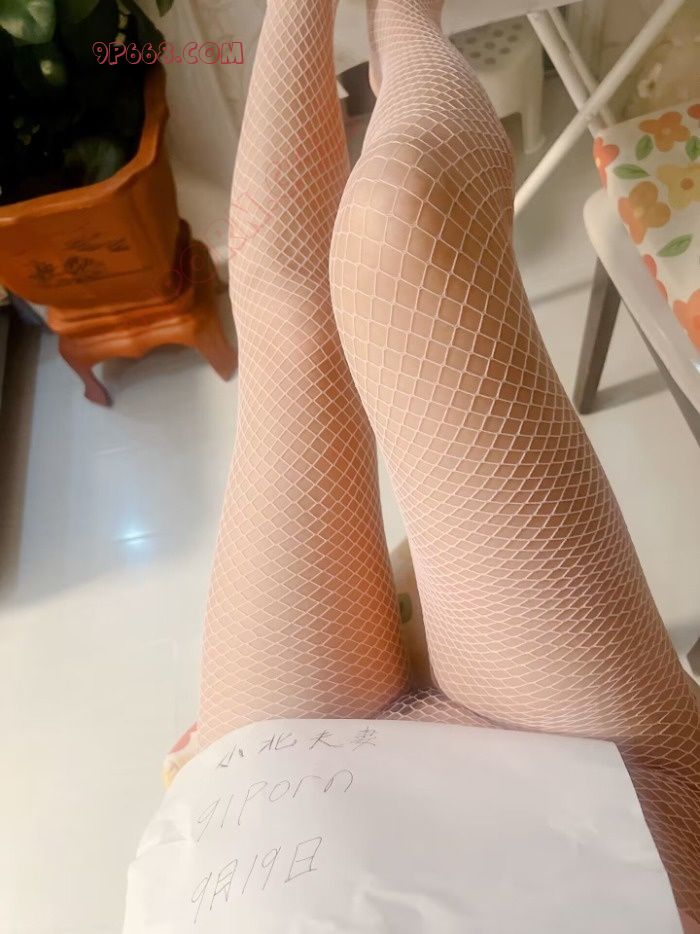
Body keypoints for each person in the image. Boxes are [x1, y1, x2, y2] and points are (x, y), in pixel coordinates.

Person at [194, 0, 700, 928]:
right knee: (407, 217)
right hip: (617, 844)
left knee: (293, 310)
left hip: (275, 858)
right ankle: (406, 24)